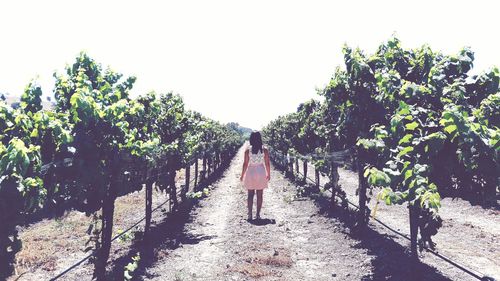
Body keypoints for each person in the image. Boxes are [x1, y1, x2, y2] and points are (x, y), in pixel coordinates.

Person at [240, 131, 271, 221]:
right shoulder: (264, 149)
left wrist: (242, 175)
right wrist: (268, 173)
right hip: (261, 171)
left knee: (250, 194)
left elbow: (245, 164)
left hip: (251, 172)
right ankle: (257, 214)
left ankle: (250, 214)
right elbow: (267, 163)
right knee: (260, 195)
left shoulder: (247, 150)